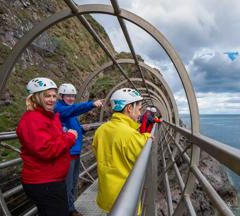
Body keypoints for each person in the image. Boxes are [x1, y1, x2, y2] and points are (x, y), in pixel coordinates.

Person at [16, 77, 78, 216]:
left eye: (54, 96)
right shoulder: (33, 120)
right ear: (36, 98)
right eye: (47, 96)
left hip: (51, 179)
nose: (52, 99)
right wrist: (70, 137)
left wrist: (65, 135)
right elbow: (46, 150)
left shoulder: (48, 116)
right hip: (44, 182)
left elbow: (52, 140)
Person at [92, 88, 151, 214]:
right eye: (139, 109)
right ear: (129, 108)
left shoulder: (101, 130)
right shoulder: (130, 134)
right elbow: (142, 155)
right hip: (125, 195)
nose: (140, 113)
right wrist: (146, 137)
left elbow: (97, 153)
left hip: (106, 193)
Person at [54, 83, 103, 216]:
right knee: (67, 184)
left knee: (73, 183)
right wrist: (91, 104)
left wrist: (82, 129)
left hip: (74, 153)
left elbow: (71, 127)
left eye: (73, 96)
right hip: (67, 153)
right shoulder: (60, 109)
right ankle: (68, 210)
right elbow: (73, 110)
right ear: (61, 96)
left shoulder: (67, 110)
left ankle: (70, 208)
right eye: (68, 96)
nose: (71, 99)